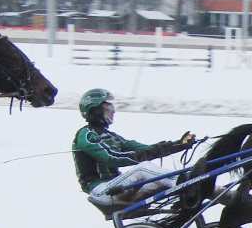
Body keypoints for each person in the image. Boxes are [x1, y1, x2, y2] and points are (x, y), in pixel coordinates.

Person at [72, 88, 200, 209]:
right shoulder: (86, 135)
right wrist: (142, 156)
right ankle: (184, 183)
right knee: (143, 168)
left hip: (116, 187)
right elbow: (111, 158)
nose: (113, 111)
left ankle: (204, 192)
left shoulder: (112, 136)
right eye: (109, 107)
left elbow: (145, 148)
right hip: (101, 191)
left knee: (160, 182)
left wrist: (178, 145)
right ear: (95, 110)